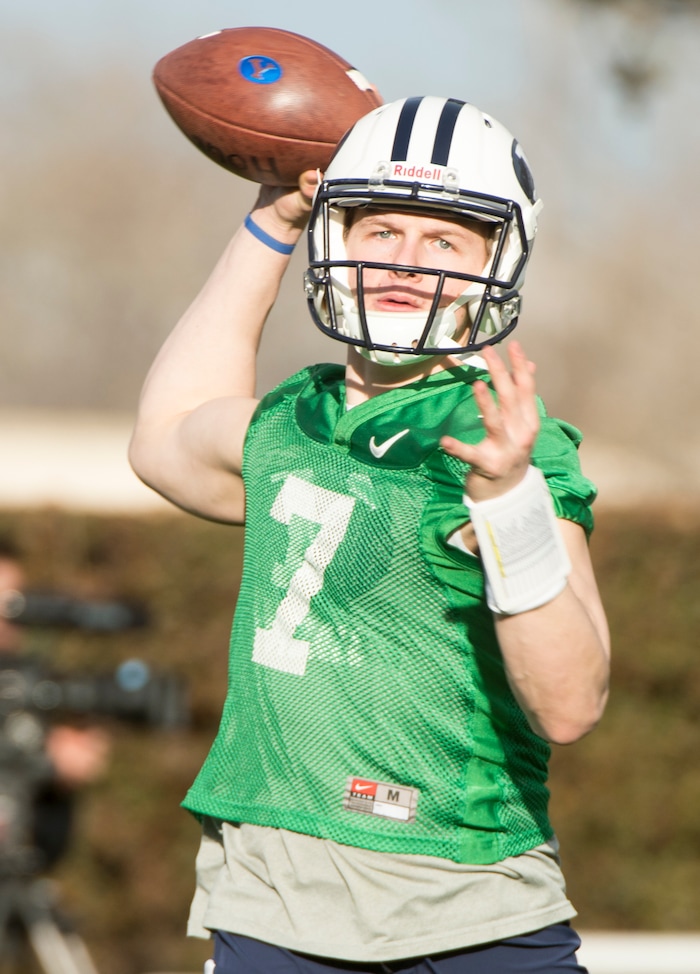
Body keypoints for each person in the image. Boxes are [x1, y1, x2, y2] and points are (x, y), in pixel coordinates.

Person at [129, 97, 610, 974]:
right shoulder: (293, 420)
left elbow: (571, 704)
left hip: (465, 907)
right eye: (380, 230)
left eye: (443, 240)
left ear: (495, 263)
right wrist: (270, 221)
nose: (404, 262)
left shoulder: (496, 438)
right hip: (272, 899)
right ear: (333, 238)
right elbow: (166, 438)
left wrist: (506, 498)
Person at [0, 541, 111, 868]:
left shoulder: (34, 688)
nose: (7, 616)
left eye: (14, 600)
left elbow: (48, 845)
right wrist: (41, 758)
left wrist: (59, 782)